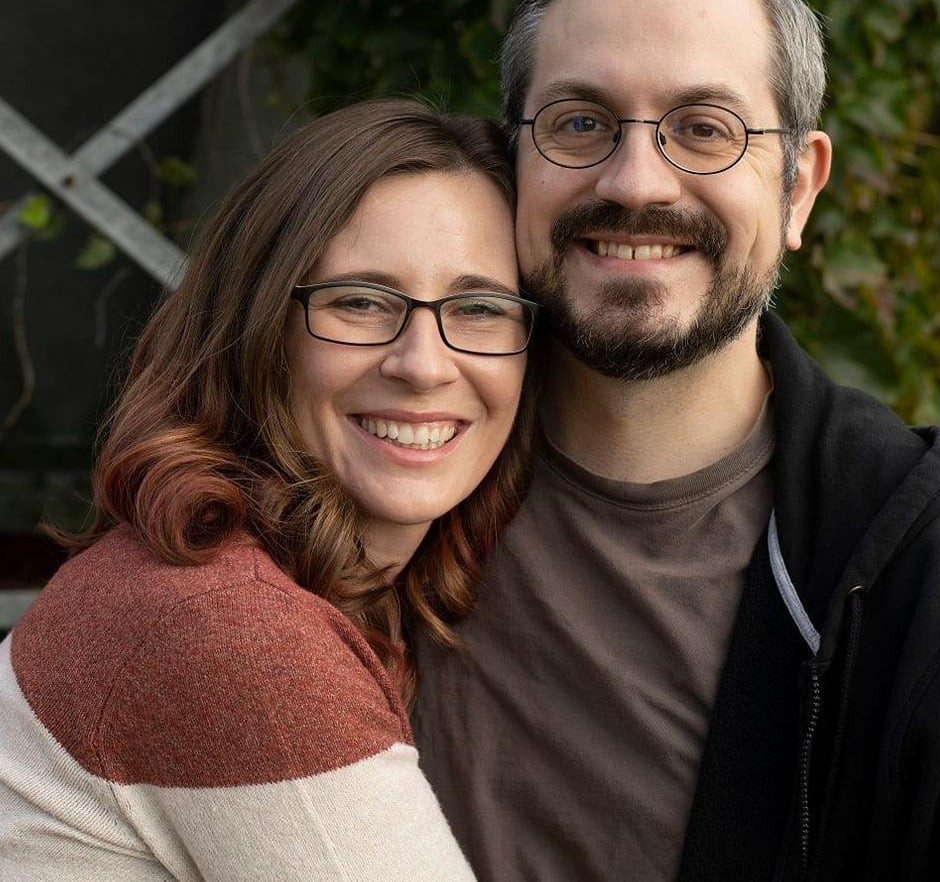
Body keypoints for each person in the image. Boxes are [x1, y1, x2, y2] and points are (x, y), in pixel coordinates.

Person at [412, 0, 940, 881]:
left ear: (797, 186)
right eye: (579, 122)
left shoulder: (932, 588)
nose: (635, 180)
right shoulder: (377, 475)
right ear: (514, 159)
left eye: (702, 129)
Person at [0, 99, 539, 880]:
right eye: (360, 301)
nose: (423, 364)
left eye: (481, 307)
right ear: (257, 332)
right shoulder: (228, 630)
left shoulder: (247, 592)